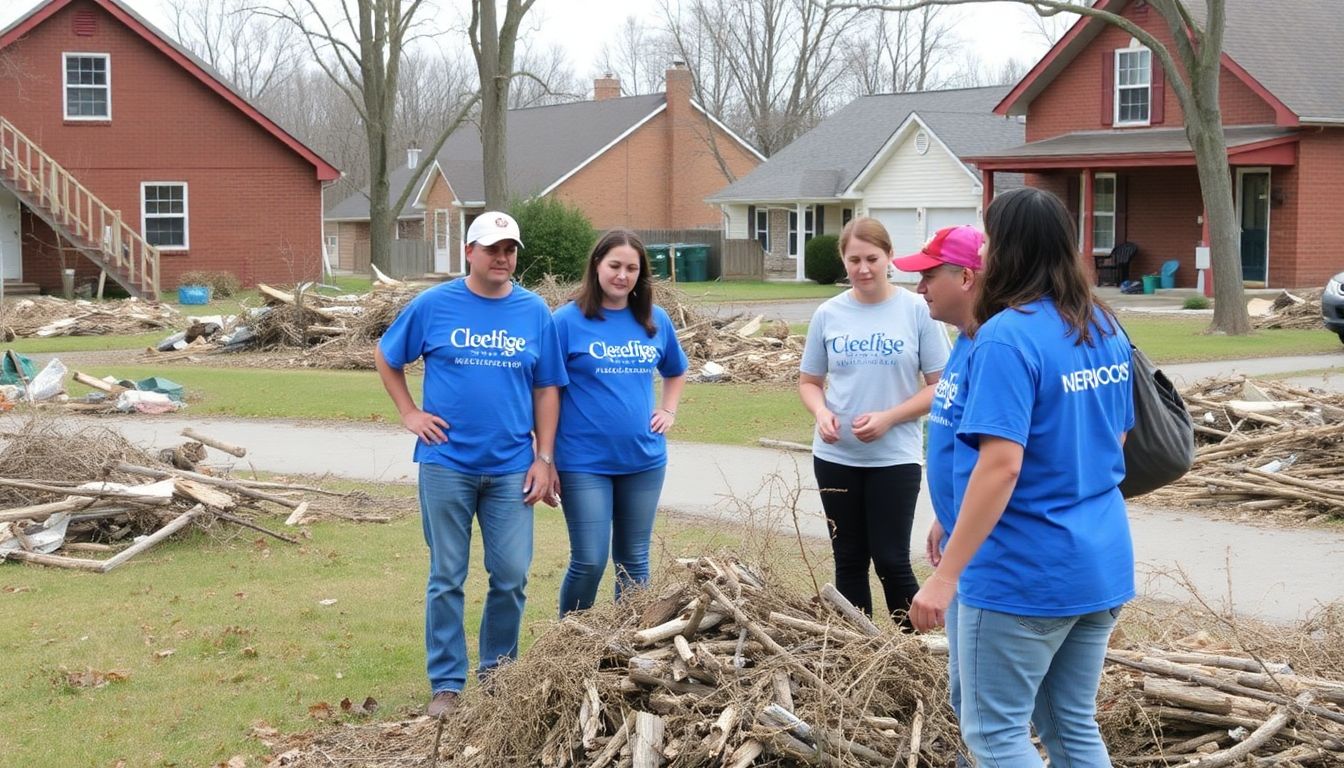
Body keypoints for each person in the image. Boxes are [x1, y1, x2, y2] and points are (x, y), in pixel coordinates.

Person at [909, 187, 1135, 767]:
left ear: (1006, 248)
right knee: (1069, 727)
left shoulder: (1008, 336)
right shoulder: (1101, 324)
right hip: (1097, 560)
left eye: (989, 237)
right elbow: (1119, 439)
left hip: (1022, 571)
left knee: (995, 736)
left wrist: (943, 578)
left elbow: (1002, 465)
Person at [375, 211, 567, 718]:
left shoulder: (534, 312)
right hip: (446, 464)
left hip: (511, 467)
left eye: (510, 250)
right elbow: (387, 355)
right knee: (447, 576)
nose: (502, 258)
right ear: (470, 253)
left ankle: (499, 673)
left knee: (510, 574)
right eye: (492, 249)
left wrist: (544, 457)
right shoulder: (435, 305)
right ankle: (447, 683)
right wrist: (410, 412)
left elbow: (547, 387)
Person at [798, 216, 951, 627]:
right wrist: (822, 411)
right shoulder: (829, 314)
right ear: (843, 261)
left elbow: (942, 386)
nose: (863, 268)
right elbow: (810, 382)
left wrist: (890, 417)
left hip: (894, 457)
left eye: (872, 258)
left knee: (890, 560)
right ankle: (858, 658)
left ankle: (917, 658)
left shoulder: (917, 310)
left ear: (889, 258)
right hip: (834, 455)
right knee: (848, 561)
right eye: (853, 260)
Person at [552, 230, 688, 614]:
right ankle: (568, 646)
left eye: (632, 268)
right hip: (582, 462)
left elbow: (676, 370)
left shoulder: (654, 319)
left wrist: (669, 410)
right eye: (615, 266)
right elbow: (543, 389)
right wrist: (542, 454)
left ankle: (628, 651)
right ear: (597, 265)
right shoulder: (565, 321)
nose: (622, 275)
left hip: (643, 460)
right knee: (590, 560)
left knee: (635, 564)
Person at [893, 224, 986, 768]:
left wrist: (950, 567)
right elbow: (964, 442)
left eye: (929, 274)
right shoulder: (966, 343)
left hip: (984, 560)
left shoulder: (995, 346)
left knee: (986, 716)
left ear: (966, 275)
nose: (920, 285)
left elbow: (1003, 464)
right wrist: (945, 512)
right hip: (960, 533)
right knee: (968, 697)